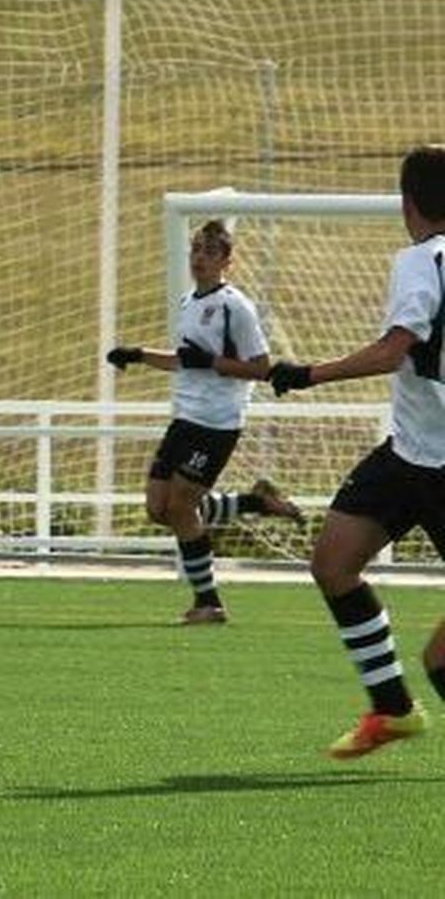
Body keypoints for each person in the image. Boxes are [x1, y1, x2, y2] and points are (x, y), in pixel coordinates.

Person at [265, 145, 445, 758]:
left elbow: (392, 351)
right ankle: (393, 710)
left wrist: (307, 373)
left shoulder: (421, 261)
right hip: (409, 456)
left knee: (440, 659)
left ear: (407, 203)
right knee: (333, 562)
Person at [106, 219, 281, 625]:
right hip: (184, 418)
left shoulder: (235, 307)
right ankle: (255, 502)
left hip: (217, 423)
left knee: (182, 504)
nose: (198, 258)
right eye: (195, 250)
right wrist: (138, 354)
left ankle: (209, 602)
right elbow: (186, 360)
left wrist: (214, 363)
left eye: (208, 252)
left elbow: (261, 368)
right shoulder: (189, 303)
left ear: (226, 261)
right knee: (158, 508)